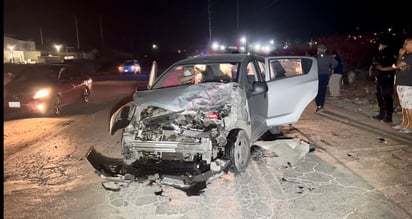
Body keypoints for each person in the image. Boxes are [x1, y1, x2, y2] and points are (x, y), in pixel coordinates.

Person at [369, 38, 398, 123]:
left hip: (387, 78)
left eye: (380, 45)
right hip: (379, 78)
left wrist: (382, 69)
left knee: (386, 96)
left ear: (384, 45)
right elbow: (375, 64)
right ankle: (382, 114)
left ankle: (388, 117)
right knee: (379, 95)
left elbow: (393, 66)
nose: (379, 46)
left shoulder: (390, 54)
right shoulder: (379, 54)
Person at [392, 37, 412, 133]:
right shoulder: (408, 56)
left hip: (408, 85)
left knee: (409, 106)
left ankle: (410, 126)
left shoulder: (410, 56)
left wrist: (400, 55)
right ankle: (405, 124)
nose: (404, 46)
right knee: (404, 106)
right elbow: (398, 66)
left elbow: (398, 65)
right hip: (402, 84)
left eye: (406, 44)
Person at [315, 44, 338, 112]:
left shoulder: (315, 57)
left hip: (317, 75)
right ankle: (321, 105)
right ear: (325, 50)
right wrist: (331, 68)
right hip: (325, 75)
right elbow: (336, 63)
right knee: (323, 90)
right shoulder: (329, 57)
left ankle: (319, 105)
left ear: (318, 49)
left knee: (317, 91)